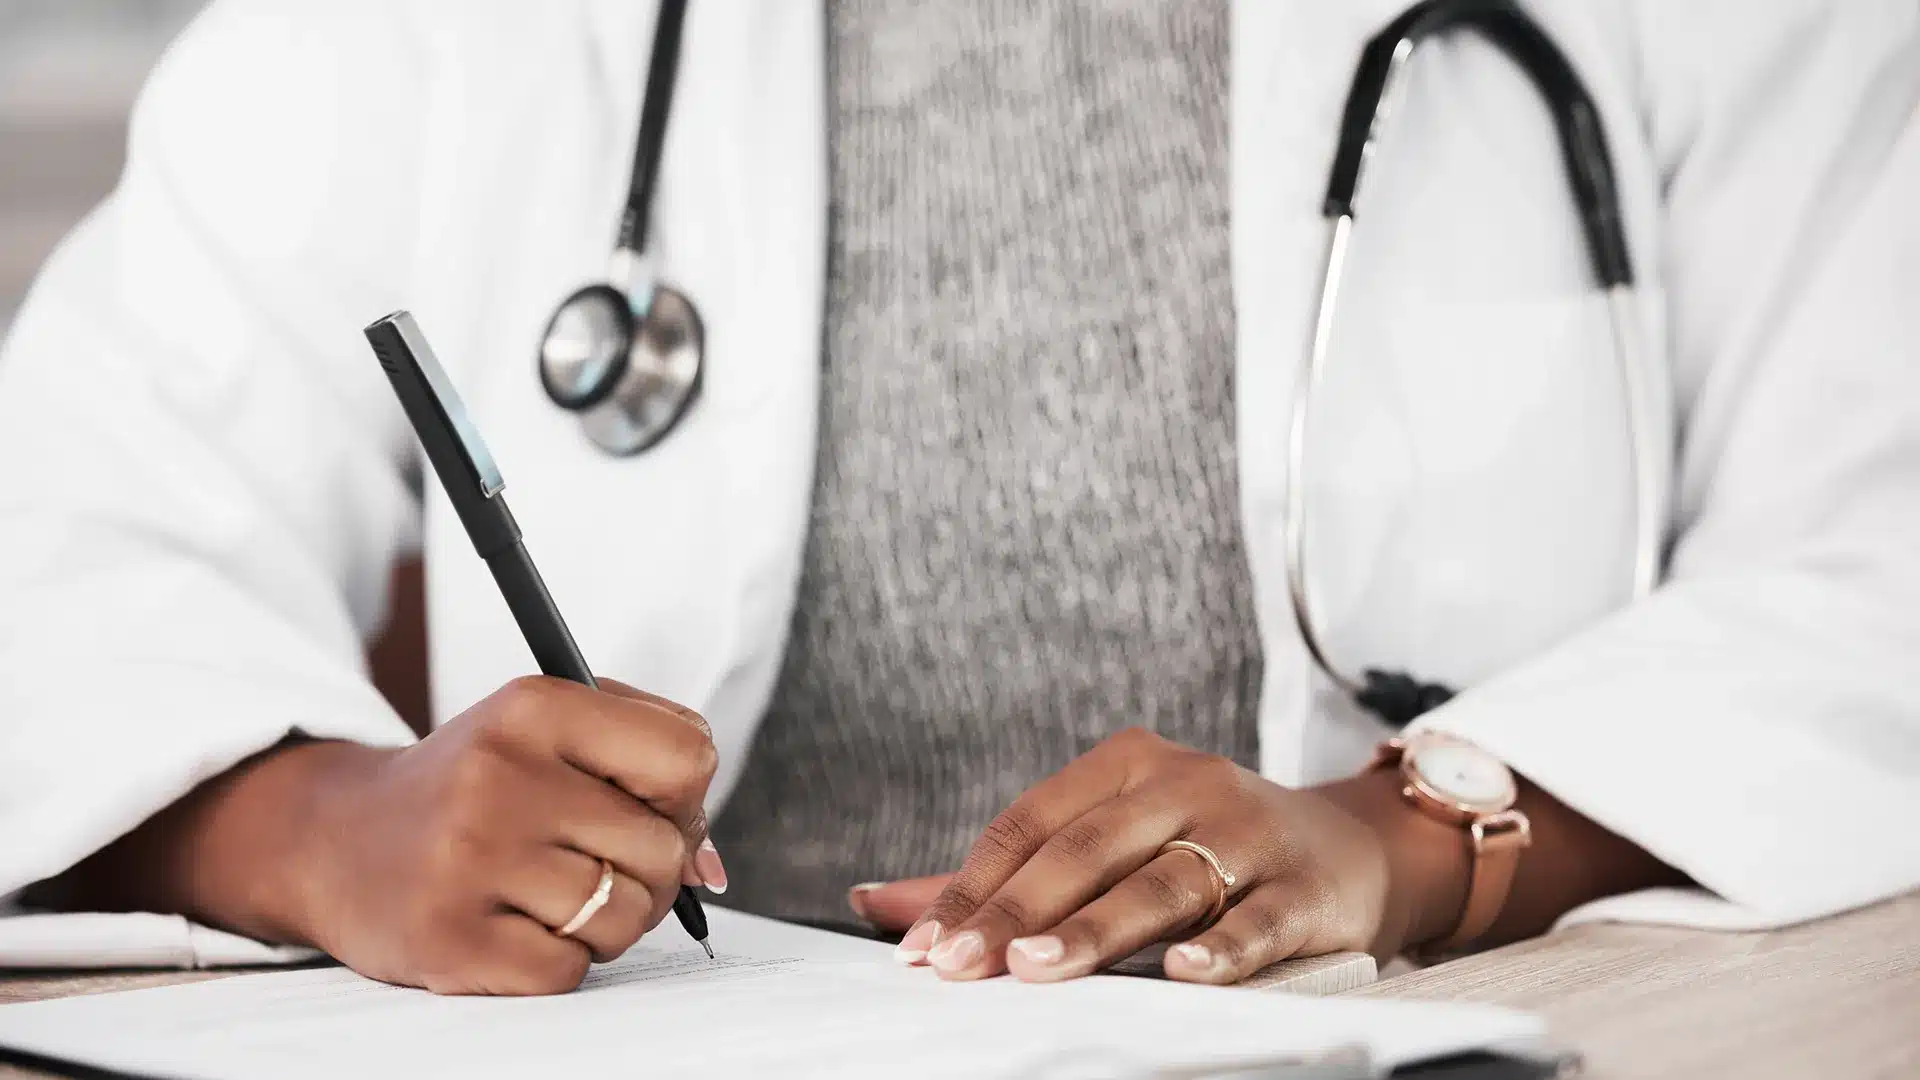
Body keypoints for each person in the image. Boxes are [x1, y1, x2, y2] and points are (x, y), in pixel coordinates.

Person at [2, 0, 1917, 996]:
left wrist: (1411, 838)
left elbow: (1879, 548)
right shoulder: (413, 34)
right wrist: (326, 825)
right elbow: (63, 540)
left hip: (1486, 1025)